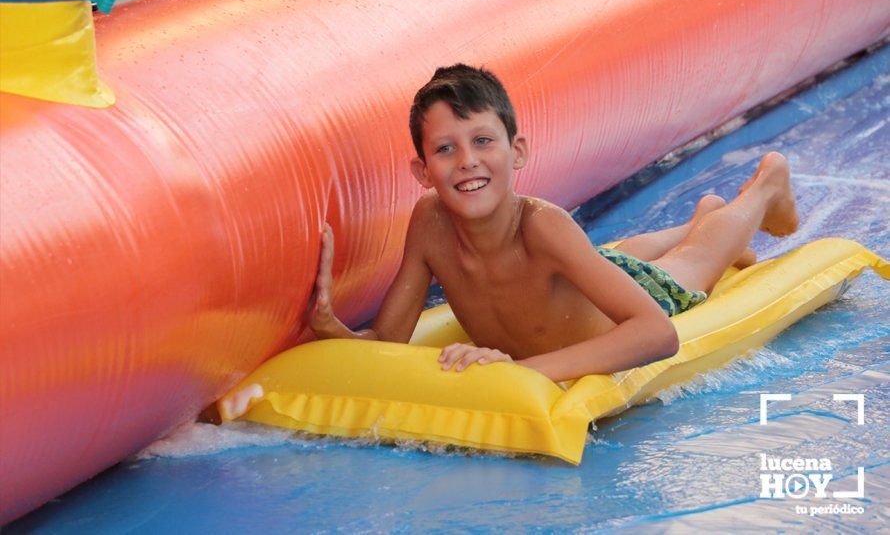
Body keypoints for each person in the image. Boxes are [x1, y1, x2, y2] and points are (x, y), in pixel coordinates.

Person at [306, 64, 798, 382]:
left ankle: (764, 188)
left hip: (624, 300)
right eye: (444, 149)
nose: (466, 162)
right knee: (604, 261)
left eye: (482, 141)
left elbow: (656, 333)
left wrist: (524, 370)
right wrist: (333, 327)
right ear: (422, 172)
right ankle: (701, 217)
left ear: (516, 151)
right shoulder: (428, 224)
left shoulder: (542, 225)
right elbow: (389, 342)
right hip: (578, 279)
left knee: (692, 262)